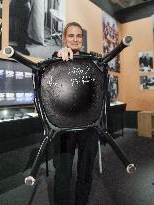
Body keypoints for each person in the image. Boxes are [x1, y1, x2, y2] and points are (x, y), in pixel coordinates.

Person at [52, 22, 99, 205]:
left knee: (86, 172)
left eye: (79, 36)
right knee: (63, 173)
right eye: (71, 36)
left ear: (82, 39)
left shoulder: (90, 61)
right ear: (64, 39)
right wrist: (58, 54)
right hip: (63, 126)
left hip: (89, 125)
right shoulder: (57, 58)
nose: (75, 39)